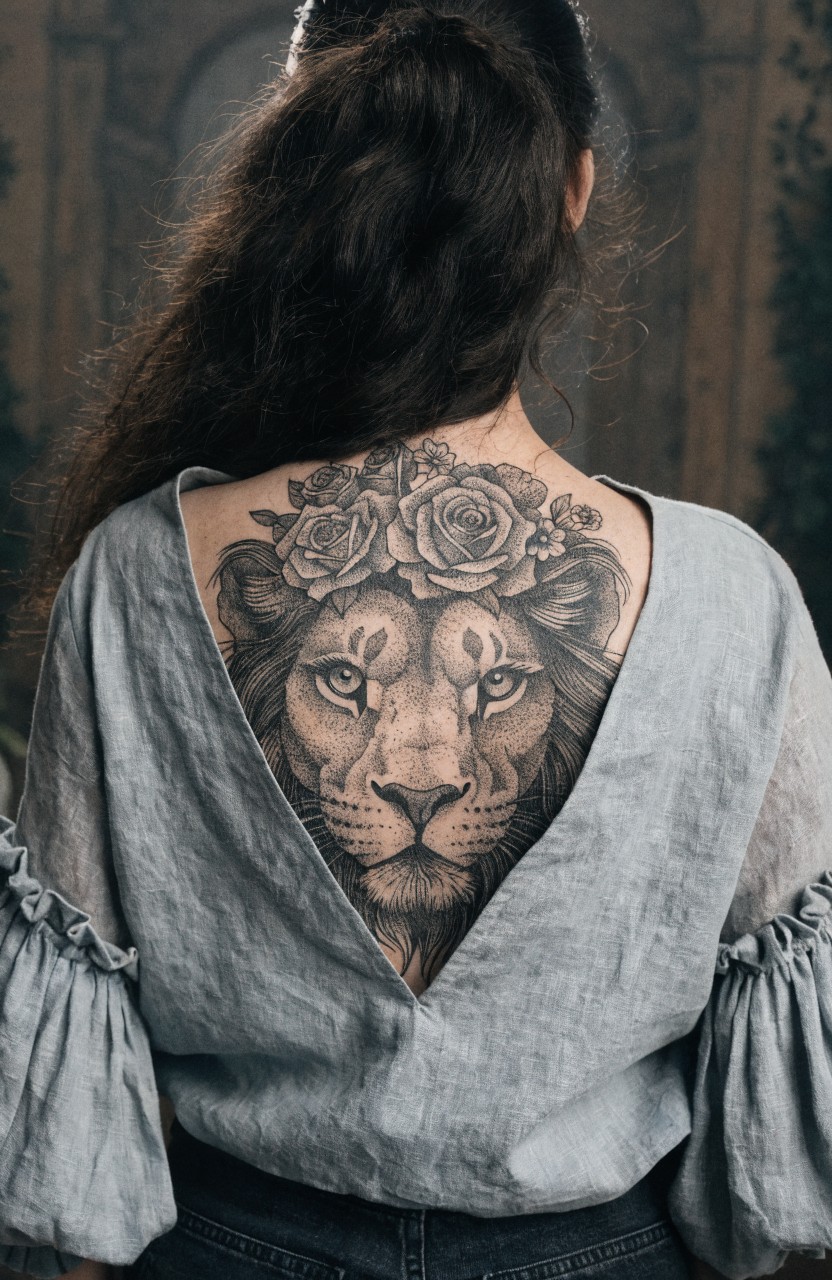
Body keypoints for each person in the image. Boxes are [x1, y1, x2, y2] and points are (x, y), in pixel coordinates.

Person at [1, 2, 830, 1279]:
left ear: (299, 177)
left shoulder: (137, 571)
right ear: (574, 188)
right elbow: (771, 1172)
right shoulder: (737, 593)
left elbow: (75, 1147)